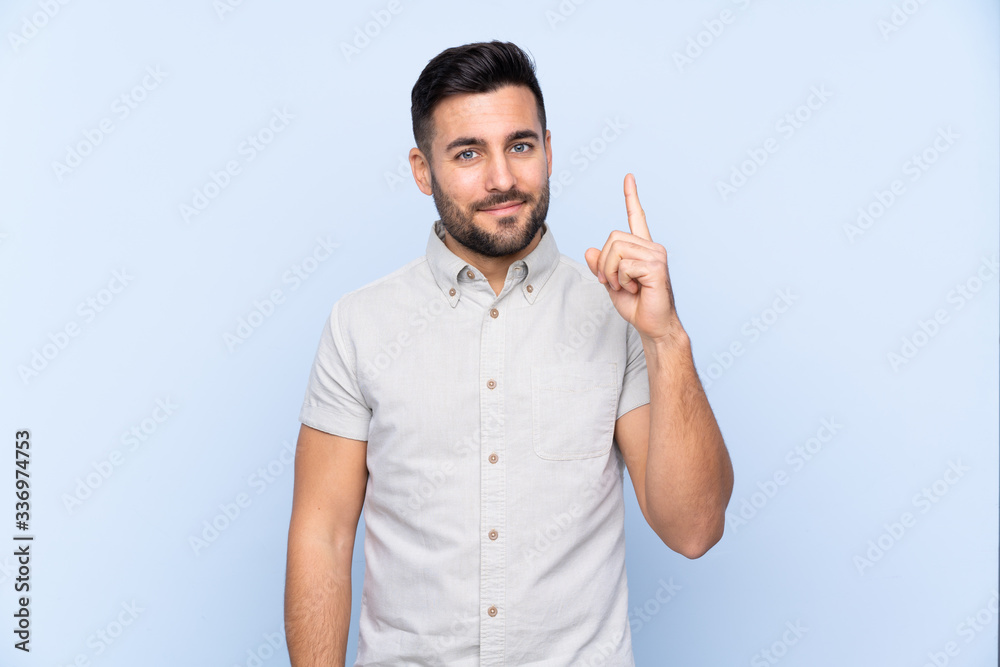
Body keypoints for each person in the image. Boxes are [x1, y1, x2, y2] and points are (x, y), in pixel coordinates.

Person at [284, 40, 734, 666]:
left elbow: (694, 529)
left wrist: (666, 337)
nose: (502, 178)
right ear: (423, 171)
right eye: (468, 153)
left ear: (548, 150)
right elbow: (323, 536)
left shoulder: (618, 313)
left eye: (520, 146)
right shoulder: (358, 324)